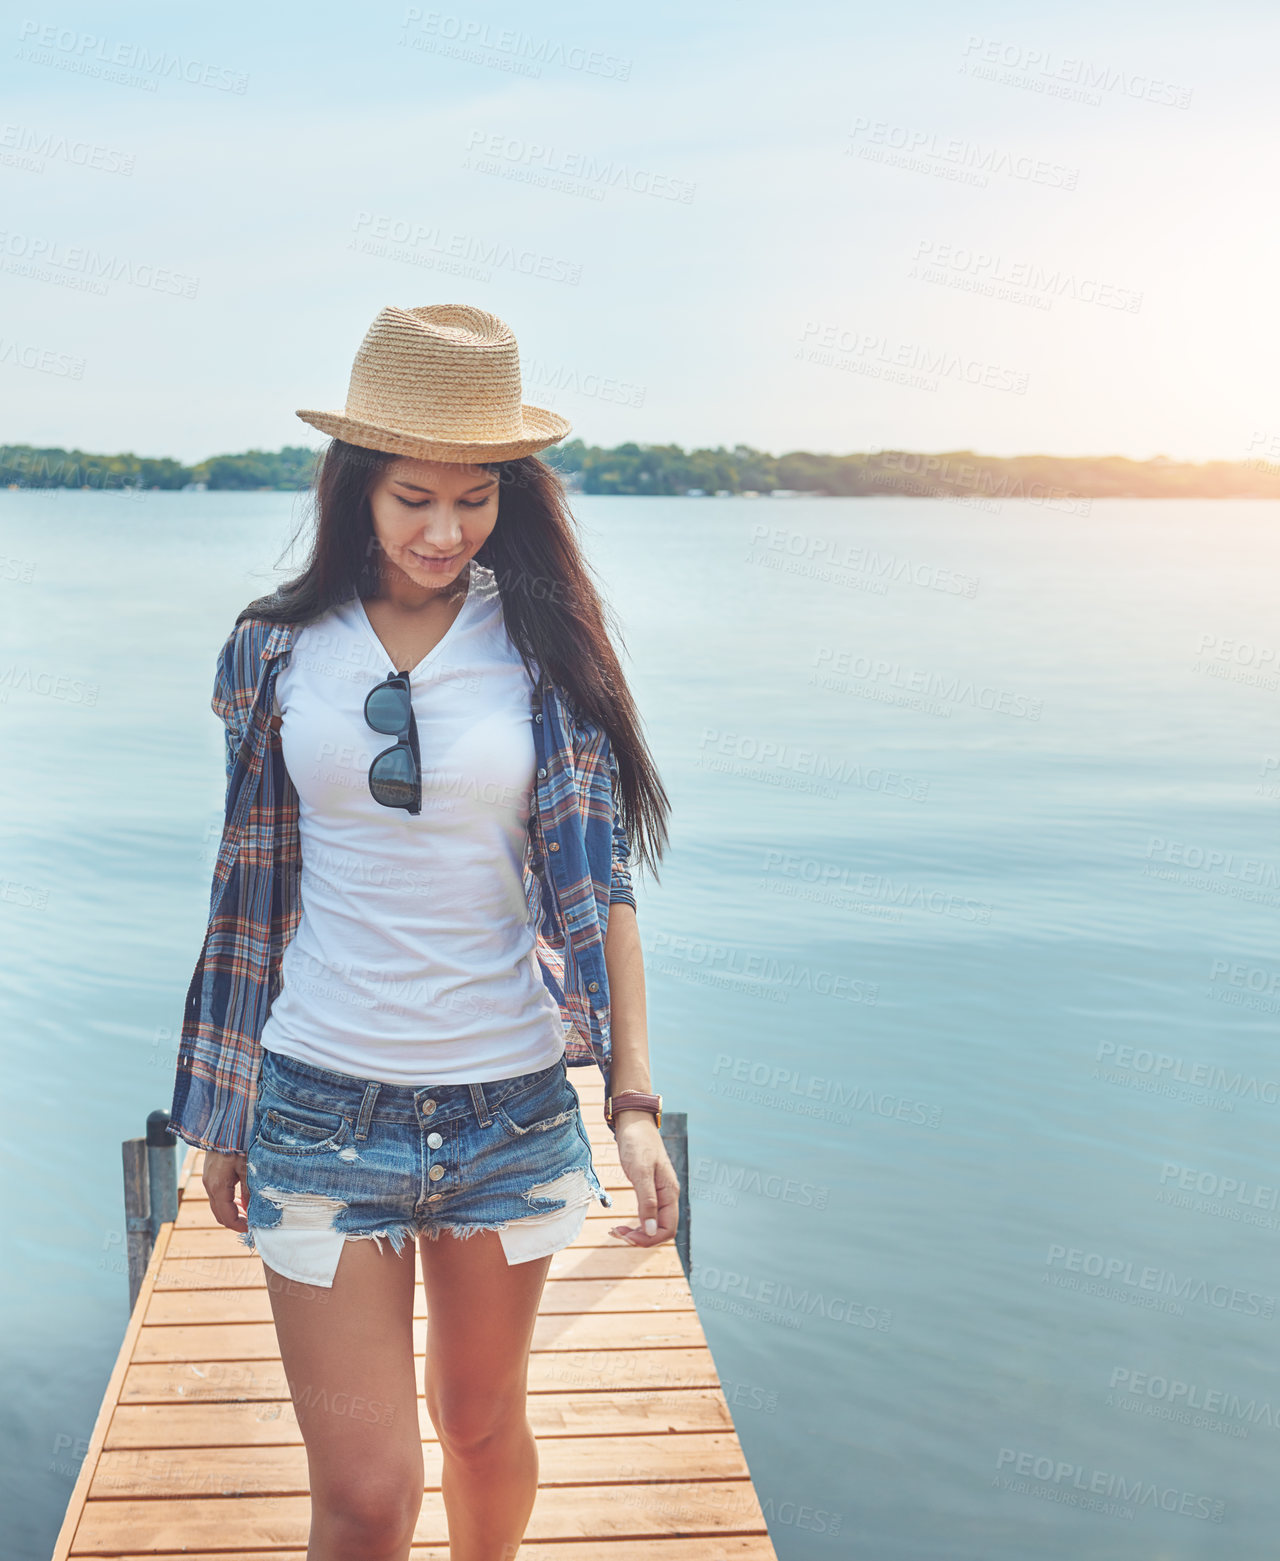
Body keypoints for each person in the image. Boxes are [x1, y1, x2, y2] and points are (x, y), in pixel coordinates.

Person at [168, 303, 677, 1561]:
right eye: (411, 499)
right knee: (368, 1492)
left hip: (504, 1104)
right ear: (353, 490)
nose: (445, 532)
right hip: (315, 1106)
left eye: (474, 499)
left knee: (482, 1427)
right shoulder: (273, 652)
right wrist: (223, 1106)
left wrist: (630, 1102)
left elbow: (601, 887)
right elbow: (249, 892)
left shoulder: (547, 654)